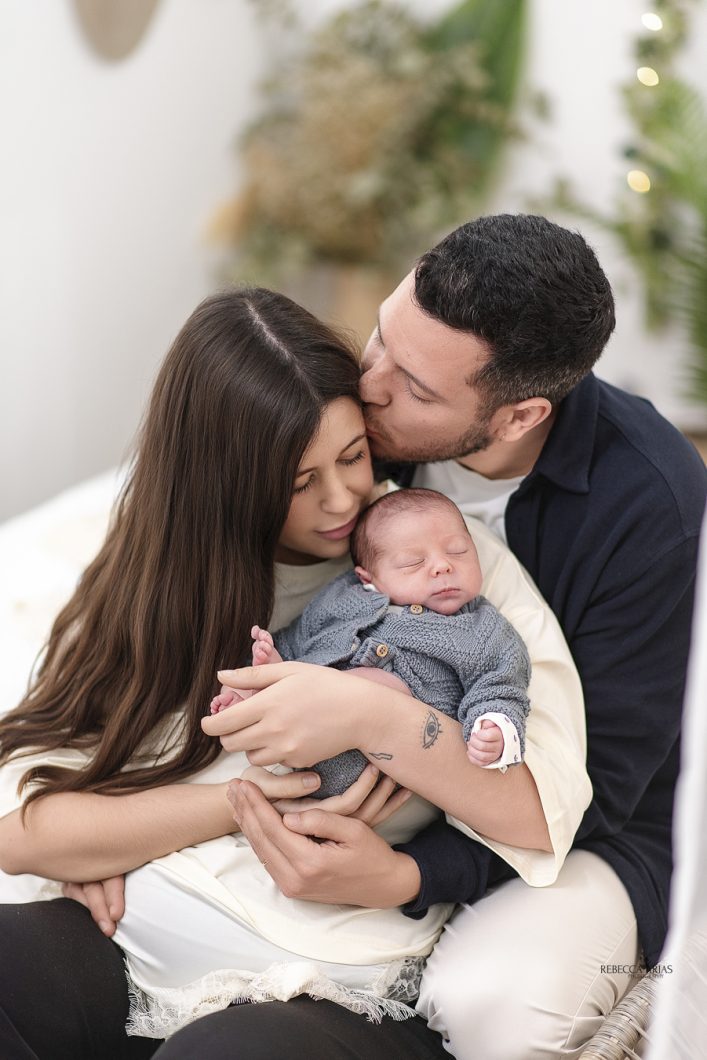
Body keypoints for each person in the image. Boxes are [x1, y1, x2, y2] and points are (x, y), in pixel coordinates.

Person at [0, 283, 589, 1058]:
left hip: (319, 975)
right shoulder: (161, 580)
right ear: (222, 484)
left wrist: (370, 716)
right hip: (134, 935)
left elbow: (545, 809)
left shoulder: (442, 564)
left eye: (353, 456)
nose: (342, 499)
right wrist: (223, 809)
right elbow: (25, 829)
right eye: (297, 482)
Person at [201, 214, 707, 1060]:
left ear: (518, 416)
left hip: (584, 825)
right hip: (365, 774)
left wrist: (413, 875)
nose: (369, 386)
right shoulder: (359, 419)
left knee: (490, 1002)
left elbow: (603, 793)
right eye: (381, 336)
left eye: (416, 388)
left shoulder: (649, 504)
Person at [212, 487, 529, 797]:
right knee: (280, 665)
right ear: (368, 579)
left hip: (378, 753)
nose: (442, 566)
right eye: (412, 562)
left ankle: (279, 705)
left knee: (376, 686)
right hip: (303, 709)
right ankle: (256, 697)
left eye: (458, 551)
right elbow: (302, 635)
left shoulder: (483, 629)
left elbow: (500, 684)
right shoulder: (343, 597)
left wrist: (494, 727)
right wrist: (269, 657)